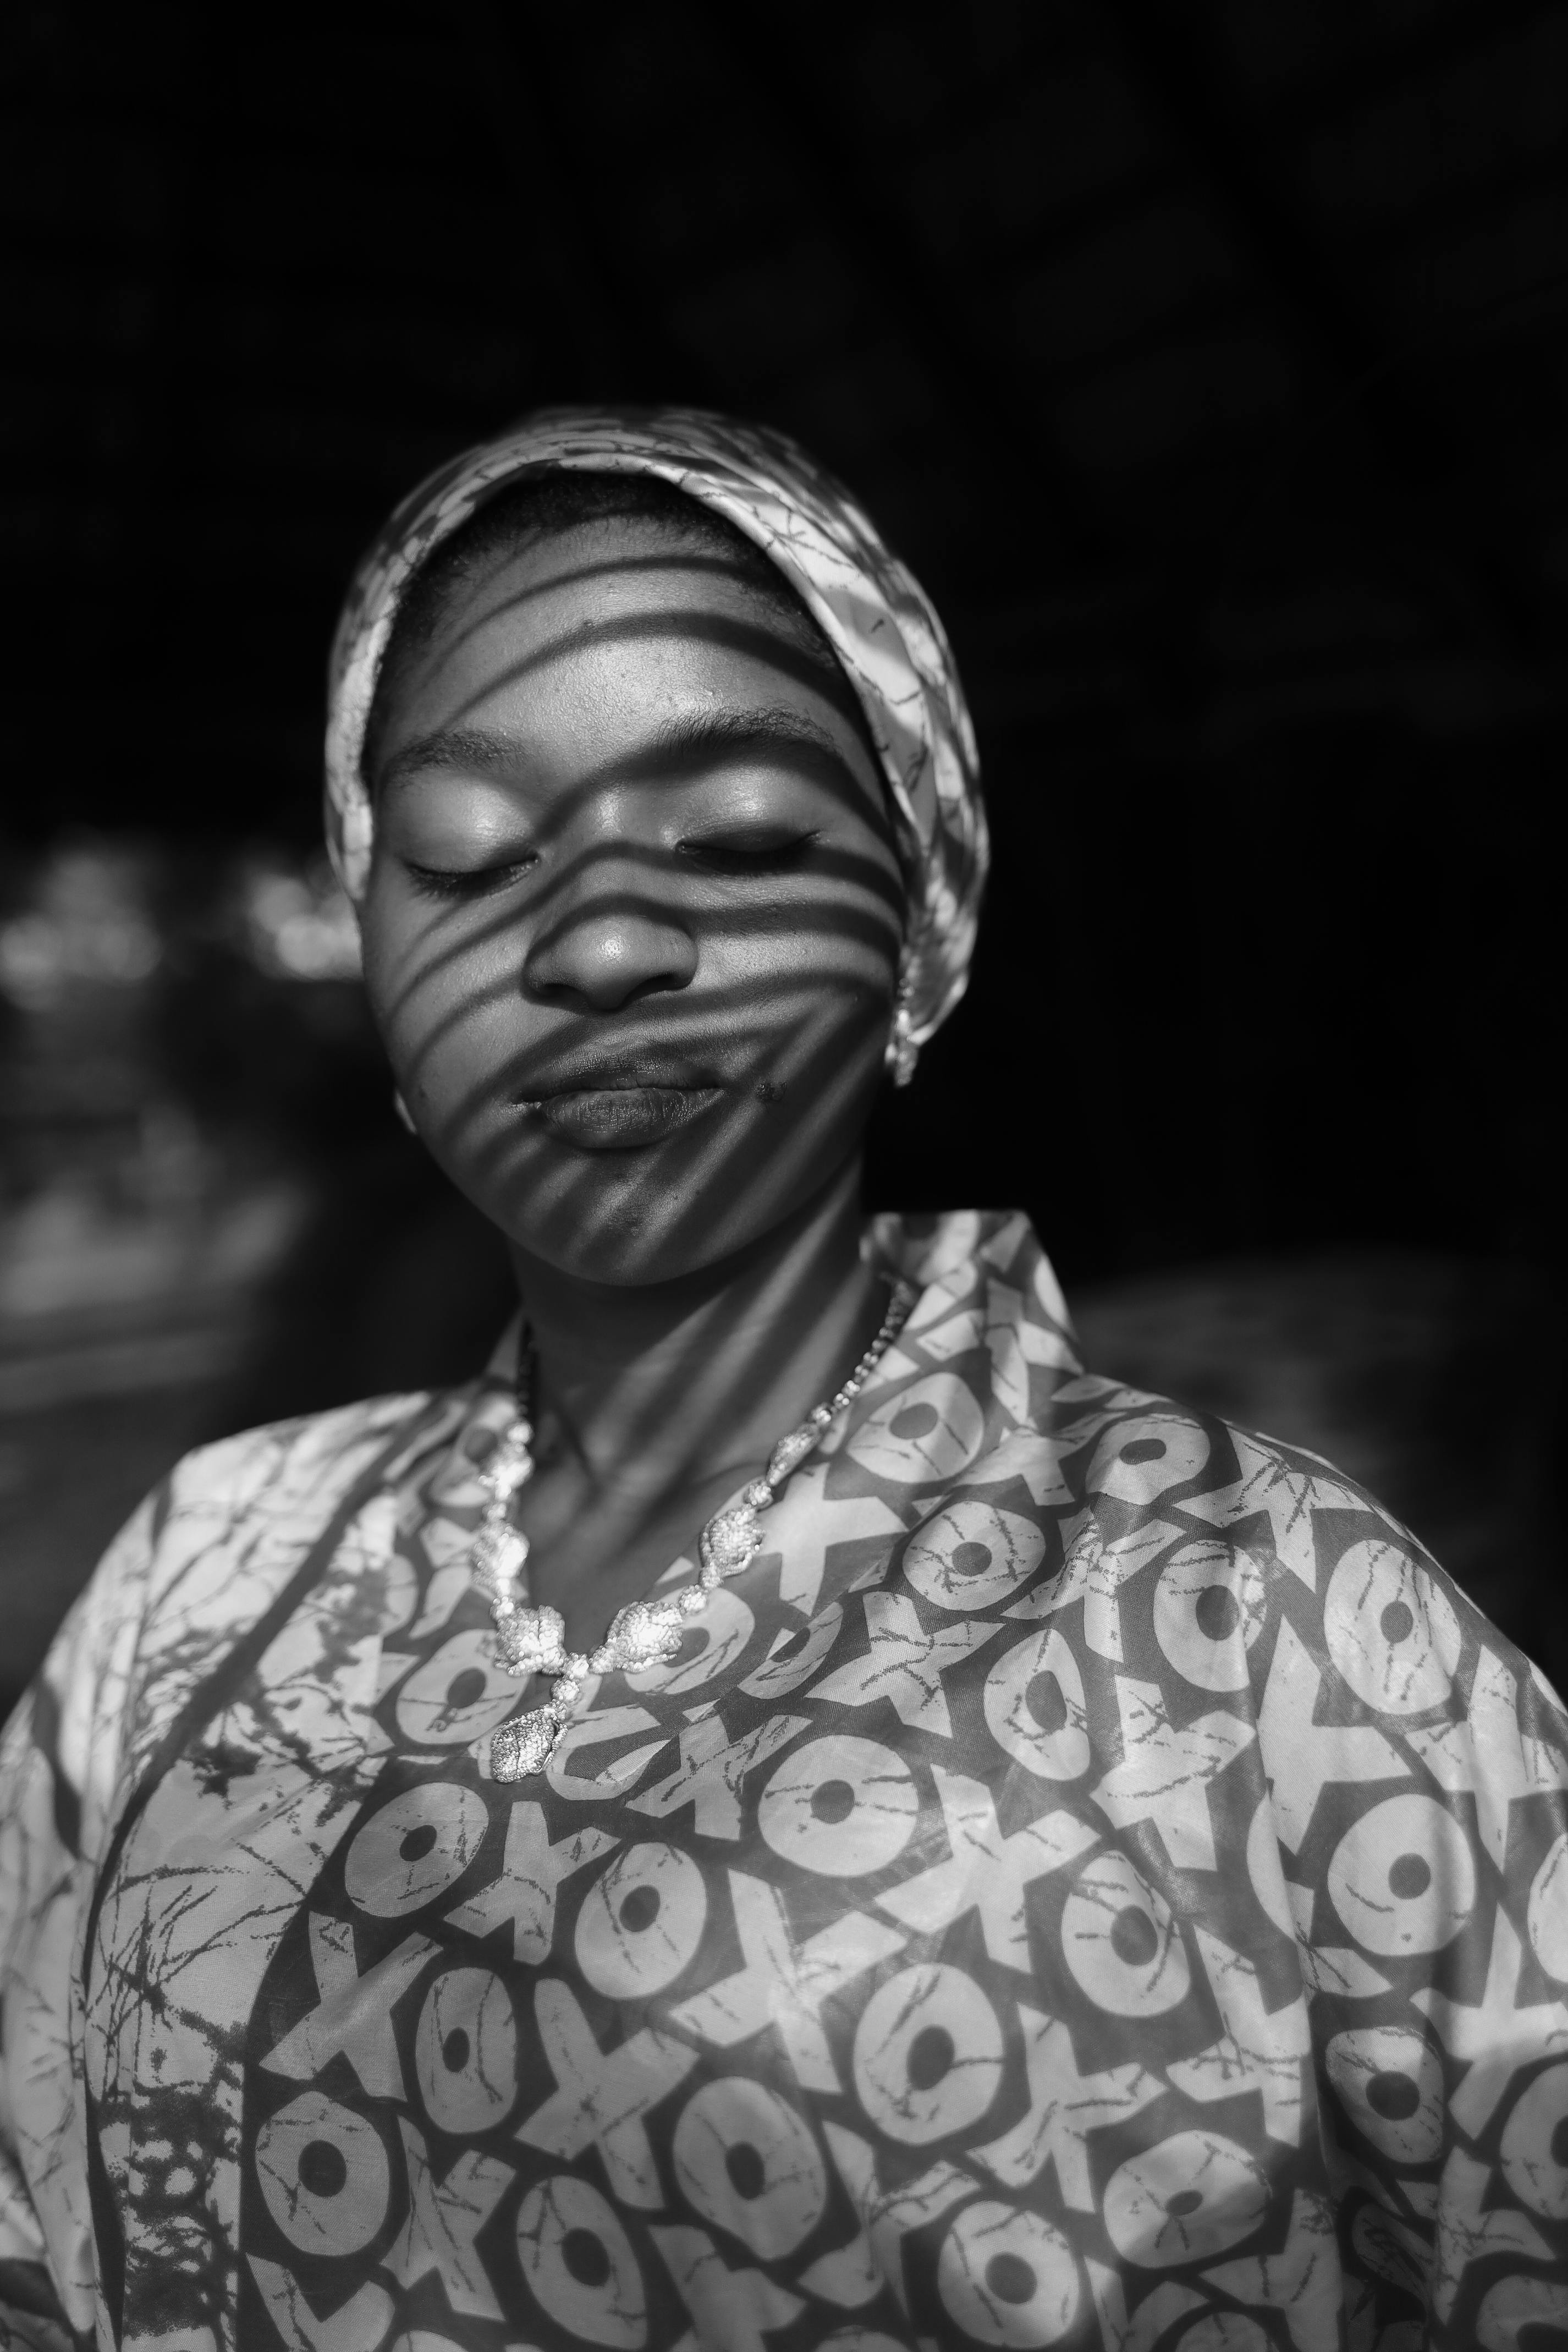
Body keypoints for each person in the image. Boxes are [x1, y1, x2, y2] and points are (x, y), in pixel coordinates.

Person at [2, 408, 1564, 2352]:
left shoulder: (1265, 1624)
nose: (595, 933)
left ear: (920, 922)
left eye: (737, 839)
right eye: (465, 858)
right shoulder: (195, 1575)